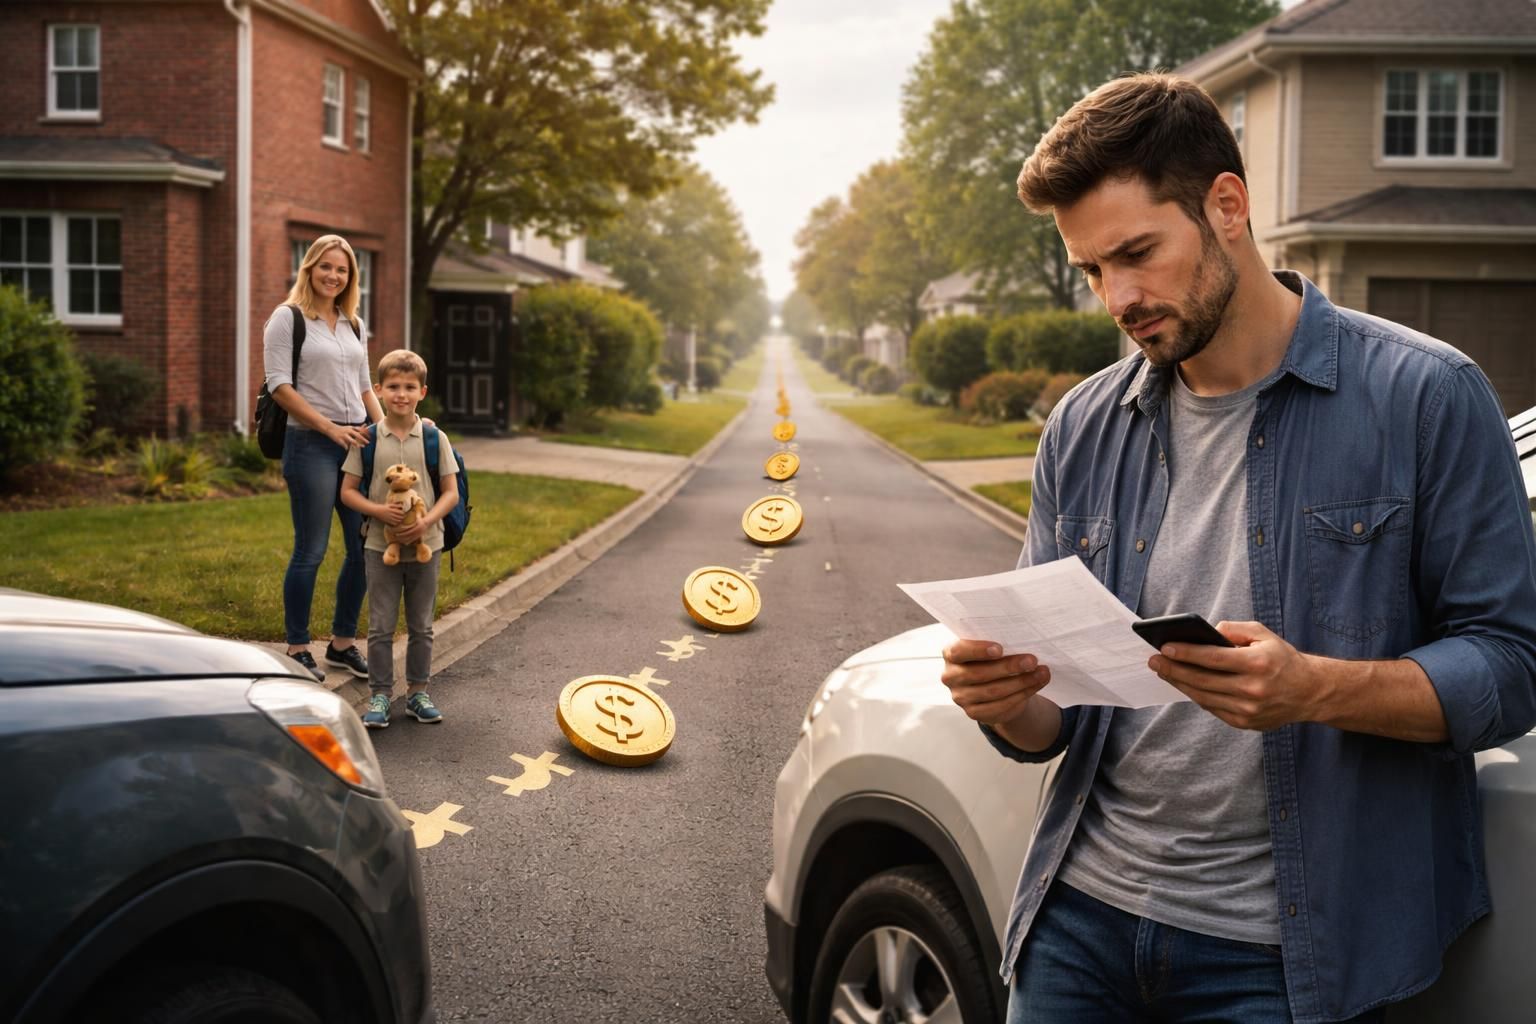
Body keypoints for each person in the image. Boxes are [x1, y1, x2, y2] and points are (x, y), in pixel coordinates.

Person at [940, 72, 1536, 1024]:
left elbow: (1512, 666)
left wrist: (1317, 689)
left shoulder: (1428, 397)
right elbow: (1060, 722)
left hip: (1288, 958)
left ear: (1227, 207)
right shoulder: (1083, 426)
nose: (1117, 299)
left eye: (1137, 252)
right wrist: (1008, 704)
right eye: (1093, 270)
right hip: (1077, 924)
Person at [263, 234, 382, 683]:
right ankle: (297, 646)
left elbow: (365, 385)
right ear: (309, 268)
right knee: (311, 549)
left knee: (362, 550)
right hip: (310, 445)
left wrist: (388, 432)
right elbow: (280, 386)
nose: (333, 275)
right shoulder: (287, 319)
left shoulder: (353, 323)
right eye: (325, 267)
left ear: (351, 277)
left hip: (358, 446)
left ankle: (341, 643)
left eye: (343, 269)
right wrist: (330, 428)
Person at [339, 349, 459, 728]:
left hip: (428, 545)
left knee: (422, 624)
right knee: (380, 626)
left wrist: (426, 523)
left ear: (422, 392)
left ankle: (419, 692)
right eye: (393, 387)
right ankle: (379, 695)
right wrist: (377, 511)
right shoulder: (369, 438)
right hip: (380, 545)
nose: (401, 394)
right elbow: (348, 491)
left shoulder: (433, 437)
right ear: (379, 390)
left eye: (409, 387)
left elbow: (450, 492)